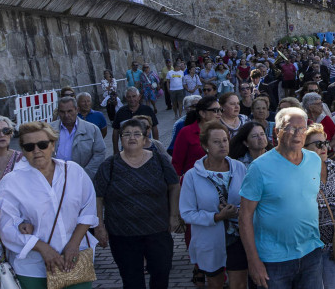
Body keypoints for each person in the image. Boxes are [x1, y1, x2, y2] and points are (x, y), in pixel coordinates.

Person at [0, 121, 99, 288]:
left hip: (74, 260)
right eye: (29, 147)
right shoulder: (11, 182)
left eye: (43, 144)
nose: (37, 150)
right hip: (33, 267)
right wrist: (44, 249)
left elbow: (88, 209)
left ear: (53, 145)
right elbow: (7, 227)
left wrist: (74, 244)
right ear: (23, 151)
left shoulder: (74, 171)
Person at [238, 107, 323, 289]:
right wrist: (253, 261)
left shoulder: (314, 160)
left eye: (301, 129)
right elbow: (244, 216)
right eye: (290, 128)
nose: (297, 134)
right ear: (277, 132)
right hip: (273, 261)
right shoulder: (259, 168)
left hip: (311, 254)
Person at [94, 119, 181, 289]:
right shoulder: (109, 165)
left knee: (161, 273)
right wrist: (99, 225)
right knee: (132, 280)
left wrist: (174, 215)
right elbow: (98, 196)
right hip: (122, 234)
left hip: (157, 230)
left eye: (136, 134)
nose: (131, 137)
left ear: (144, 138)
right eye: (126, 134)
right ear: (120, 138)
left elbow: (174, 185)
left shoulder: (160, 161)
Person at [180, 120, 249, 289]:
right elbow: (187, 213)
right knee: (215, 283)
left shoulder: (239, 168)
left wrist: (238, 211)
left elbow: (250, 200)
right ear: (205, 145)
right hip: (209, 239)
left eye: (225, 140)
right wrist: (217, 216)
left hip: (239, 237)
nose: (222, 145)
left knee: (239, 284)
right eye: (216, 142)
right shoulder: (192, 176)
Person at [304, 124, 335, 289]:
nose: (324, 147)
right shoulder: (301, 172)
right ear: (304, 147)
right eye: (318, 144)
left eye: (325, 143)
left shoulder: (334, 167)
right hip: (312, 246)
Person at [52, 96, 108, 179]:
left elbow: (99, 153)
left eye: (69, 111)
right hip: (55, 178)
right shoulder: (49, 129)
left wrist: (85, 174)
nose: (66, 115)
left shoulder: (92, 129)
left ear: (77, 110)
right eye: (62, 112)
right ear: (58, 112)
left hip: (83, 178)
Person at [173, 97, 223, 177]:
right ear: (202, 113)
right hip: (193, 180)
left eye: (221, 110)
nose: (220, 114)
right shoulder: (186, 132)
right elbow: (176, 163)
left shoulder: (221, 131)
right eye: (215, 110)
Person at [112, 87, 159, 154]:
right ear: (126, 98)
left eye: (134, 96)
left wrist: (156, 145)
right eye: (129, 97)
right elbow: (115, 131)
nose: (132, 99)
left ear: (139, 97)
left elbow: (154, 128)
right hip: (127, 149)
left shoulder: (147, 110)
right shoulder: (121, 112)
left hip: (147, 148)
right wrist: (115, 150)